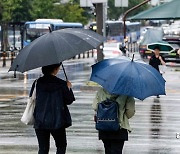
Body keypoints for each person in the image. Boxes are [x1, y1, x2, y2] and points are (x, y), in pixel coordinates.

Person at [30, 63, 75, 154]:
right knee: (61, 146)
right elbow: (69, 100)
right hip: (57, 120)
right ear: (55, 69)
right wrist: (69, 87)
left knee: (43, 148)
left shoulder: (37, 83)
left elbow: (32, 97)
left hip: (40, 119)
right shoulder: (61, 83)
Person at [92, 87, 135, 154]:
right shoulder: (127, 92)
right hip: (120, 128)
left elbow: (95, 106)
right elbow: (130, 111)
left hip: (104, 126)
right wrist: (122, 116)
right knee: (117, 150)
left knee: (107, 150)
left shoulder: (101, 91)